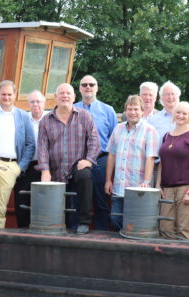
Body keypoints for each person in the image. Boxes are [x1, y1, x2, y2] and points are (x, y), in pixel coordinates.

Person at [38, 83, 99, 235]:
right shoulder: (45, 121)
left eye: (68, 93)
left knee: (85, 175)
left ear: (73, 97)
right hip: (55, 167)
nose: (65, 96)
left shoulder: (85, 116)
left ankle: (84, 222)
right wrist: (45, 170)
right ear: (55, 97)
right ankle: (55, 225)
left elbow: (94, 141)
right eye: (62, 93)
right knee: (52, 195)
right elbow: (42, 147)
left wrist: (89, 160)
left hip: (76, 165)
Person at [0, 80, 35, 229]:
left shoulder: (24, 116)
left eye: (9, 94)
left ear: (15, 95)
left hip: (11, 165)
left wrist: (20, 167)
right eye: (3, 94)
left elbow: (30, 144)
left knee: (2, 207)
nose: (6, 97)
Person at [105, 95, 158, 231]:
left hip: (138, 188)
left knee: (135, 223)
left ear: (142, 111)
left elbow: (150, 158)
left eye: (136, 109)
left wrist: (146, 182)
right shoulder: (118, 129)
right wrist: (108, 180)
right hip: (118, 186)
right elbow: (111, 155)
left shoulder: (149, 131)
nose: (132, 112)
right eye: (129, 109)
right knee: (115, 218)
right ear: (125, 111)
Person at [74, 75, 117, 230]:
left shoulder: (108, 110)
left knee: (101, 199)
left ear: (97, 87)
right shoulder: (72, 109)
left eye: (91, 84)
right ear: (79, 88)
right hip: (77, 161)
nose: (88, 87)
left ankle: (101, 233)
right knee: (76, 198)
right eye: (84, 84)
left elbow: (114, 140)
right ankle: (73, 231)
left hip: (101, 161)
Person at [156, 101, 189, 240]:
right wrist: (158, 185)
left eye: (185, 113)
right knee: (165, 228)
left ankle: (183, 259)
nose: (181, 115)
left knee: (184, 229)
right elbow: (162, 163)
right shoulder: (166, 136)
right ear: (173, 114)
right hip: (167, 188)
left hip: (186, 187)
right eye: (178, 112)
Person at [14, 90, 48, 228]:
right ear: (28, 104)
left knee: (43, 201)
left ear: (44, 103)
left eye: (38, 101)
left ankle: (41, 230)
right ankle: (22, 230)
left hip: (45, 167)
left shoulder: (50, 118)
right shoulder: (22, 119)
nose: (35, 104)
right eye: (32, 102)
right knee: (22, 199)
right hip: (26, 165)